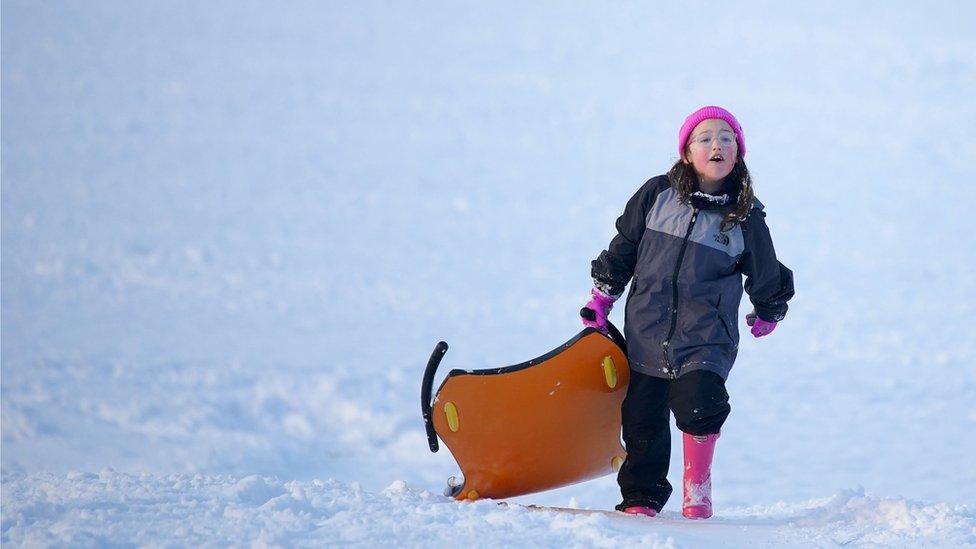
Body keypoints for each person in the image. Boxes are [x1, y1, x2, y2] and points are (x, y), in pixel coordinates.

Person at [581, 106, 794, 519]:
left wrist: (769, 308)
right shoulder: (657, 195)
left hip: (706, 336)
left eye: (727, 138)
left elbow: (765, 267)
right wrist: (602, 297)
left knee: (700, 402)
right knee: (642, 417)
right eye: (706, 138)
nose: (717, 144)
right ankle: (641, 497)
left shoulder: (743, 215)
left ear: (739, 153)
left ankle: (696, 488)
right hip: (646, 328)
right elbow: (624, 247)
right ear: (686, 152)